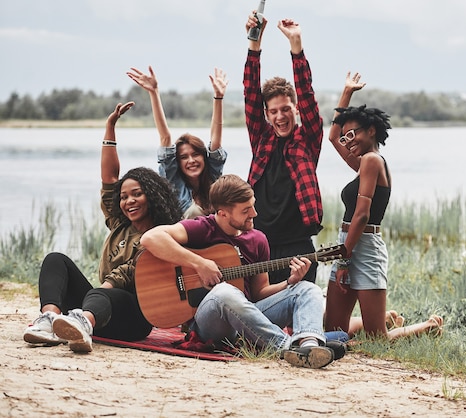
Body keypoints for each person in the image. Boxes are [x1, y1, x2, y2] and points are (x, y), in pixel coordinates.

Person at [140, 174, 346, 369]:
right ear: (222, 213)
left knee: (308, 288)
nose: (254, 214)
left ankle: (309, 344)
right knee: (224, 292)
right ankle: (288, 347)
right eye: (245, 210)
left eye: (253, 206)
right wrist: (199, 263)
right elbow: (150, 238)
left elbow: (259, 293)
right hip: (210, 323)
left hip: (249, 320)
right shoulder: (203, 228)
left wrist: (289, 282)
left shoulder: (257, 239)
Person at [23, 102, 182, 353]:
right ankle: (48, 321)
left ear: (151, 197)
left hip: (133, 318)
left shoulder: (163, 234)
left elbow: (127, 274)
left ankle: (84, 323)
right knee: (56, 260)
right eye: (124, 196)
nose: (128, 201)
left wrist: (95, 296)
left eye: (137, 194)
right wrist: (110, 127)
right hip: (96, 306)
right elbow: (109, 178)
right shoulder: (120, 224)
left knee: (108, 294)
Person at [324, 72, 444, 340]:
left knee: (376, 339)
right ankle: (388, 318)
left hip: (363, 247)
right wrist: (346, 93)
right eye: (347, 137)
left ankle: (428, 327)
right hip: (347, 241)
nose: (348, 141)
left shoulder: (371, 161)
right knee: (333, 332)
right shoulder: (364, 162)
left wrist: (345, 258)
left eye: (353, 134)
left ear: (371, 131)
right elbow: (332, 136)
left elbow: (363, 214)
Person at [243, 13, 324, 285]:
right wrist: (255, 44)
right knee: (262, 319)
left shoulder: (307, 140)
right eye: (274, 111)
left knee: (301, 316)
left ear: (296, 109)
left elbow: (307, 94)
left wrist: (296, 46)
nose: (280, 117)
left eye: (286, 109)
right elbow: (250, 94)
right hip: (260, 244)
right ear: (266, 114)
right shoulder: (261, 139)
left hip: (298, 246)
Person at [127, 66, 228, 218]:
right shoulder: (173, 183)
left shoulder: (213, 178)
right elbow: (165, 137)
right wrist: (154, 93)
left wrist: (218, 98)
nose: (191, 160)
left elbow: (215, 140)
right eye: (184, 157)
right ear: (177, 162)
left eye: (195, 154)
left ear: (204, 157)